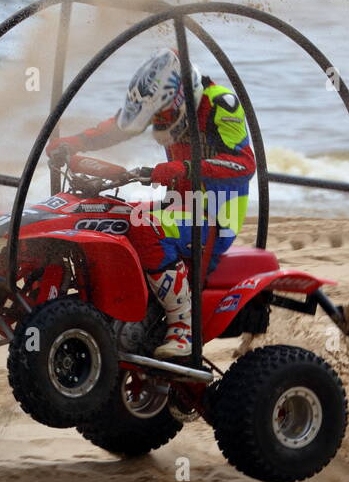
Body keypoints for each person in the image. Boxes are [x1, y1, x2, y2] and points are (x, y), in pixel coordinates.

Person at [46, 48, 255, 357]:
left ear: (182, 97)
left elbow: (244, 164)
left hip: (215, 213)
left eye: (163, 115)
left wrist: (184, 168)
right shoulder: (163, 100)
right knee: (112, 218)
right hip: (180, 205)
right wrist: (74, 143)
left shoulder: (221, 104)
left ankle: (183, 329)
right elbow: (121, 126)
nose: (159, 121)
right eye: (155, 116)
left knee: (146, 227)